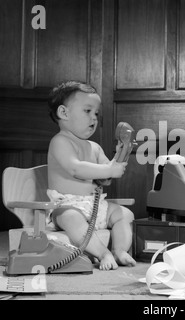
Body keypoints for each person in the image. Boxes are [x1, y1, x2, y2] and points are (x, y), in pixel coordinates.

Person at [47, 80, 136, 271]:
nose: (94, 118)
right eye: (87, 111)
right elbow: (76, 168)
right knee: (70, 218)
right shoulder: (60, 142)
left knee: (124, 214)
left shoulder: (94, 147)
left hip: (94, 205)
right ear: (64, 113)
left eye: (96, 113)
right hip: (68, 205)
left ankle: (120, 250)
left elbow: (104, 178)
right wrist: (108, 170)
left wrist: (117, 161)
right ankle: (103, 252)